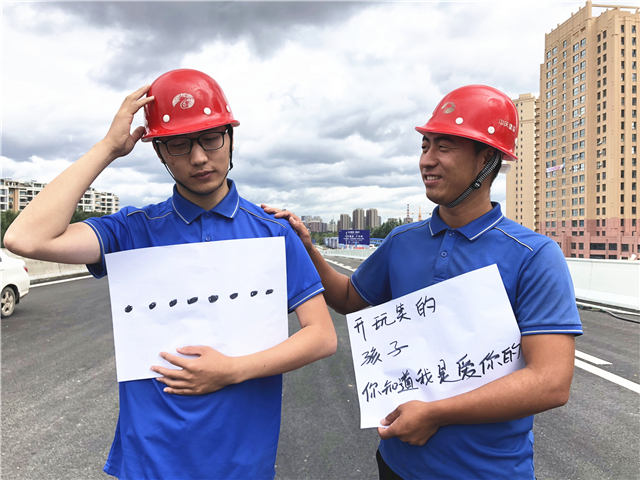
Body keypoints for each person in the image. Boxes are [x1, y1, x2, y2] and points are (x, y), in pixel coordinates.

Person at [4, 68, 337, 479]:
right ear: (159, 152)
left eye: (211, 138)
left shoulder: (272, 232)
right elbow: (24, 238)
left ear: (231, 138)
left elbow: (321, 336)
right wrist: (108, 148)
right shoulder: (132, 230)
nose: (198, 157)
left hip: (241, 461)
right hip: (150, 461)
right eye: (178, 144)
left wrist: (233, 369)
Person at [263, 85, 583, 479]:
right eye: (425, 146)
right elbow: (347, 298)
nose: (426, 160)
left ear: (486, 159)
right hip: (397, 463)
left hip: (487, 471)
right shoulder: (402, 241)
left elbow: (550, 382)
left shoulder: (534, 256)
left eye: (443, 147)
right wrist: (307, 248)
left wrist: (435, 414)